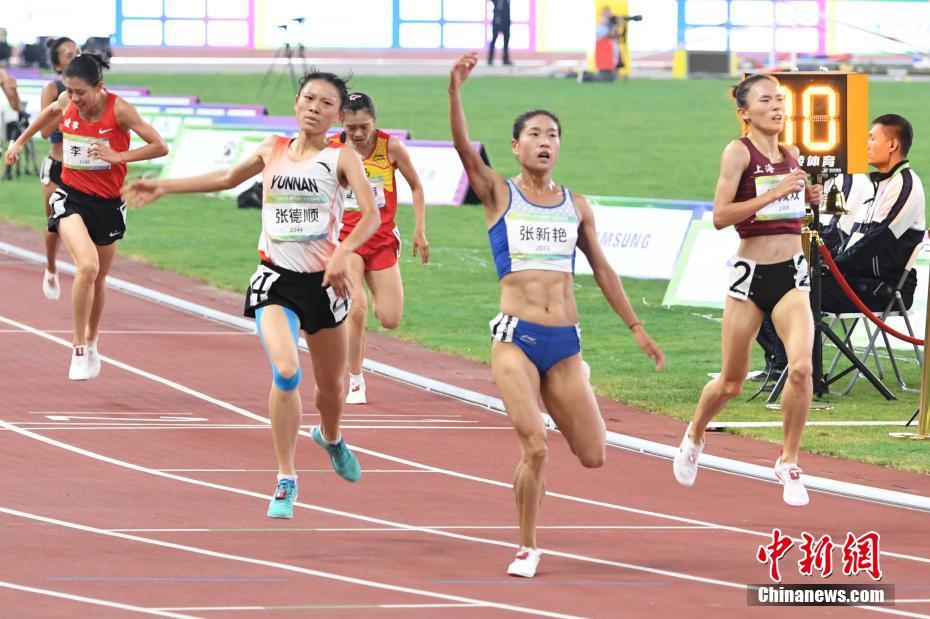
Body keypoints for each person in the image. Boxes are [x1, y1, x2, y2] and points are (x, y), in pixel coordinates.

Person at [124, 71, 379, 520]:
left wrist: (343, 253)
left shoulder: (342, 159)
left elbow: (371, 216)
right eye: (308, 98)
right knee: (286, 371)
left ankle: (332, 438)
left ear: (338, 115)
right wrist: (164, 185)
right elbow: (226, 178)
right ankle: (286, 478)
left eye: (325, 103)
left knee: (331, 388)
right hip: (275, 280)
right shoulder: (271, 149)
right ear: (296, 102)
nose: (314, 107)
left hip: (323, 285)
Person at [449, 52, 664, 577]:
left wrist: (637, 328)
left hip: (565, 344)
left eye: (553, 135)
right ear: (516, 146)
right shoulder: (499, 193)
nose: (545, 142)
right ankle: (527, 545)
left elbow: (605, 271)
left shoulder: (576, 204)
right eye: (536, 135)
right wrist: (454, 89)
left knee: (593, 455)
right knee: (537, 447)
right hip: (516, 339)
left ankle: (539, 443)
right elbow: (462, 150)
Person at [672, 74, 823, 507]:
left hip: (791, 275)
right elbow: (721, 215)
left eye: (780, 99)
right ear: (745, 112)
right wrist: (775, 192)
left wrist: (805, 197)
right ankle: (695, 435)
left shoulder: (791, 154)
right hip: (750, 274)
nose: (777, 106)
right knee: (731, 382)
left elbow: (788, 210)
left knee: (801, 369)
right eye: (766, 100)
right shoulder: (738, 152)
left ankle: (788, 460)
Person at [4, 53, 168, 380]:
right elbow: (47, 114)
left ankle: (92, 340)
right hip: (71, 195)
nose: (74, 99)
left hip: (108, 203)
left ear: (99, 87)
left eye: (81, 93)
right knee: (88, 266)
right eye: (69, 91)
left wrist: (118, 155)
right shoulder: (66, 100)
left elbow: (159, 146)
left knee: (99, 278)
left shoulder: (119, 109)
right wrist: (18, 142)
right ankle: (77, 346)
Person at [756, 114, 925, 376]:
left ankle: (792, 370)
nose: (866, 144)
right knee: (775, 282)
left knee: (795, 289)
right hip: (855, 279)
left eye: (872, 138)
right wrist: (826, 263)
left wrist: (827, 267)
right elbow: (855, 240)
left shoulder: (906, 184)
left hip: (883, 287)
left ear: (892, 145)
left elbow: (874, 242)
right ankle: (784, 365)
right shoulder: (878, 185)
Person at [331, 92, 429, 404]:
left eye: (365, 127)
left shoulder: (391, 147)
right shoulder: (333, 148)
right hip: (347, 241)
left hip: (382, 238)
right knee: (356, 306)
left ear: (375, 121)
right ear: (341, 121)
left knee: (389, 318)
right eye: (352, 128)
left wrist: (420, 230)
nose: (359, 134)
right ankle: (356, 380)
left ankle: (374, 290)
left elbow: (416, 186)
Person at [37, 37, 80, 301]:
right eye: (68, 55)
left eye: (77, 52)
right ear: (57, 66)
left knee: (84, 224)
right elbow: (44, 131)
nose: (75, 56)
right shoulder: (53, 89)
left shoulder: (91, 87)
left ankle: (84, 269)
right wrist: (68, 109)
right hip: (57, 167)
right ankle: (51, 268)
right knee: (55, 225)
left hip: (83, 169)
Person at [488, 0, 512, 66]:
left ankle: (505, 59)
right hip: (497, 21)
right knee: (494, 39)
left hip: (506, 22)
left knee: (506, 41)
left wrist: (508, 21)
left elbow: (507, 10)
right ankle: (490, 59)